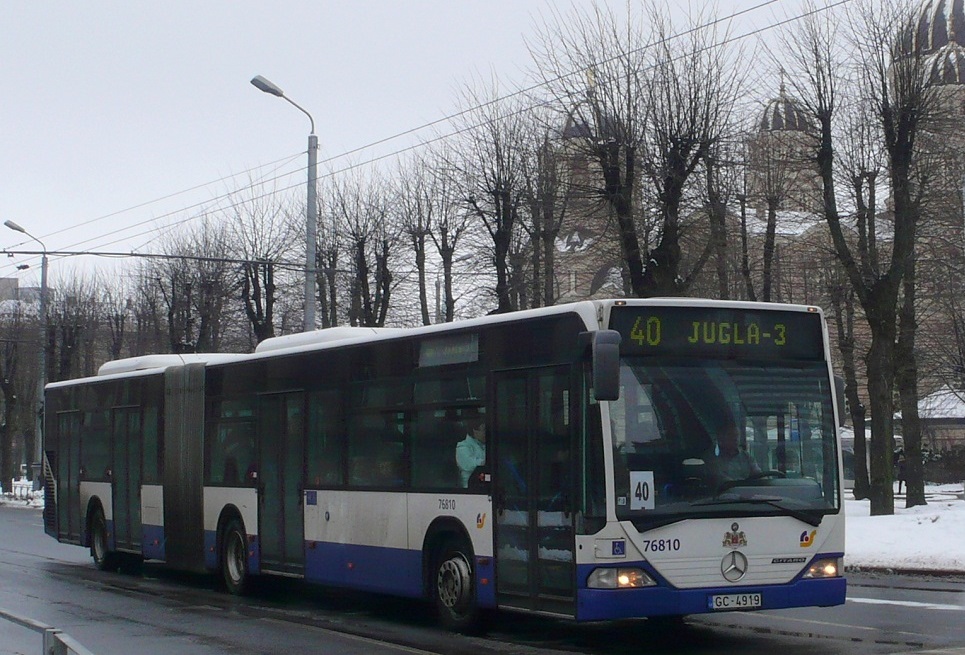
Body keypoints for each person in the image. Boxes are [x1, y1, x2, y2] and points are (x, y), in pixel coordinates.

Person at [705, 420, 761, 486]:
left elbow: (758, 475)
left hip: (746, 492)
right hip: (721, 493)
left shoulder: (746, 457)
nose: (735, 439)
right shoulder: (711, 457)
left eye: (737, 435)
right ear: (720, 438)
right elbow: (719, 479)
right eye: (731, 435)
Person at [455, 413, 486, 487]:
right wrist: (487, 461)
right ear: (475, 431)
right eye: (484, 430)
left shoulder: (485, 444)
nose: (486, 433)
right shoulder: (463, 447)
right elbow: (469, 465)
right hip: (470, 488)